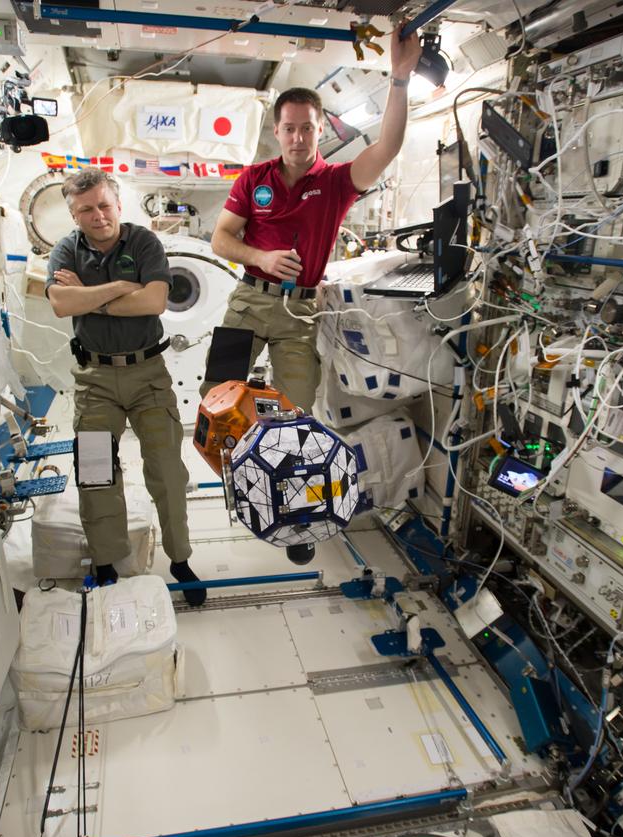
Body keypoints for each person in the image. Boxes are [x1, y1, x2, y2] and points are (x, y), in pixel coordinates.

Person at [203, 23, 423, 410]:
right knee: (217, 397)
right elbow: (220, 239)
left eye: (307, 128)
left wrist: (400, 79)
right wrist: (262, 258)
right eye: (289, 129)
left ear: (321, 130)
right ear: (277, 131)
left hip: (299, 313)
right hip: (249, 302)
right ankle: (232, 467)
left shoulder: (338, 182)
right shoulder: (254, 177)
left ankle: (278, 468)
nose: (298, 138)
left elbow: (387, 147)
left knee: (297, 408)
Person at [46, 168, 205, 605]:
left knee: (168, 471)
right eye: (86, 210)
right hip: (94, 380)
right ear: (74, 215)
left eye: (104, 205)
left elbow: (154, 301)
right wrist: (118, 287)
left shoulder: (143, 242)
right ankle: (105, 559)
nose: (98, 216)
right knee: (95, 473)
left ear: (117, 205)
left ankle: (179, 558)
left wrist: (90, 295)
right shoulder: (65, 250)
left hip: (147, 376)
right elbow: (61, 304)